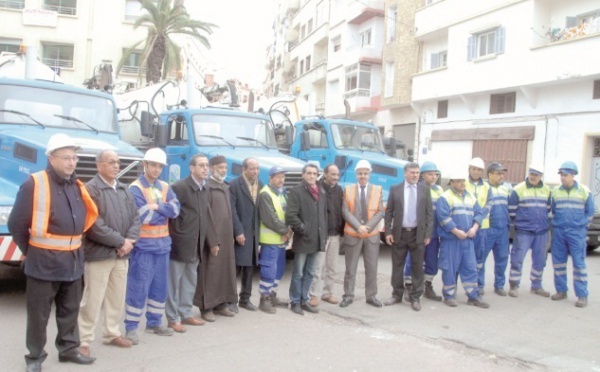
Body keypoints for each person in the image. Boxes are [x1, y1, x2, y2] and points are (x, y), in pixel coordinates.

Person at [8, 133, 98, 371]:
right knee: (39, 315)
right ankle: (35, 358)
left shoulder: (77, 185)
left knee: (69, 311)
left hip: (73, 263)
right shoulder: (34, 184)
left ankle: (68, 350)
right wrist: (32, 250)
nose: (71, 162)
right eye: (66, 157)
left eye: (74, 158)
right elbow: (16, 223)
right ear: (51, 158)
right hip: (43, 264)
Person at [78, 150, 141, 356]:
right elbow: (94, 225)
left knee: (116, 297)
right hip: (99, 254)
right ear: (99, 165)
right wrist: (120, 242)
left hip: (122, 255)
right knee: (93, 299)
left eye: (118, 162)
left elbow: (135, 218)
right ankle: (84, 340)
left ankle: (112, 333)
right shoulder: (91, 189)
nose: (116, 166)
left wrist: (129, 241)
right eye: (111, 162)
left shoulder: (123, 189)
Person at [124, 148, 180, 343]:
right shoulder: (135, 188)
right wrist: (161, 210)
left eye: (159, 166)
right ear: (144, 165)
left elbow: (176, 210)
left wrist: (157, 207)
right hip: (144, 247)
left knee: (160, 287)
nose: (156, 169)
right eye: (153, 165)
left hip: (163, 246)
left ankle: (154, 322)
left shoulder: (165, 186)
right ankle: (131, 327)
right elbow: (143, 216)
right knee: (138, 287)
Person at [166, 154, 219, 333]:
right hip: (180, 243)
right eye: (201, 165)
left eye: (207, 166)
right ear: (191, 168)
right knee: (173, 283)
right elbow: (170, 215)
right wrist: (178, 234)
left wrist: (212, 241)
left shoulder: (205, 189)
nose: (205, 168)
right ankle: (172, 318)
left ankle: (185, 313)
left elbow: (206, 216)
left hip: (196, 244)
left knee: (190, 281)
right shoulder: (179, 187)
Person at [194, 155, 238, 321]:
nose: (224, 170)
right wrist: (212, 241)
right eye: (220, 167)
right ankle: (206, 308)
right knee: (209, 272)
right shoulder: (207, 188)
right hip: (212, 240)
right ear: (212, 168)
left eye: (225, 168)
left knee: (224, 271)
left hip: (226, 238)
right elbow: (207, 217)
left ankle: (221, 304)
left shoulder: (225, 187)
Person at [383, 163, 433, 311]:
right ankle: (397, 294)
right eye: (412, 173)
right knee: (397, 266)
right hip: (400, 233)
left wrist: (428, 234)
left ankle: (416, 297)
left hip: (418, 234)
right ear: (405, 173)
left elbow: (429, 214)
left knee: (418, 267)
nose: (415, 175)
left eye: (417, 173)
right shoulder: (395, 189)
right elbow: (389, 212)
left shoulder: (425, 190)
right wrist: (388, 232)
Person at [437, 170, 489, 309]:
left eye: (463, 181)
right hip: (451, 240)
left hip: (467, 240)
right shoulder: (445, 197)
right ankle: (449, 295)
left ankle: (473, 297)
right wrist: (456, 231)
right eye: (458, 181)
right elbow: (443, 217)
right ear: (452, 182)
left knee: (470, 267)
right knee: (449, 268)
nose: (462, 184)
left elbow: (479, 213)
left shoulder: (470, 197)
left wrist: (475, 228)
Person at [339, 160, 385, 308]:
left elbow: (380, 212)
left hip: (371, 236)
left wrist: (368, 227)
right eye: (360, 173)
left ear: (369, 174)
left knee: (372, 269)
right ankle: (348, 296)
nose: (363, 176)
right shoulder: (348, 189)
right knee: (350, 268)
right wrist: (358, 226)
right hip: (353, 234)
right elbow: (345, 211)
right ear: (356, 174)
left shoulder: (378, 190)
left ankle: (371, 296)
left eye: (365, 173)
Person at [550, 161, 594, 308]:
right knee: (559, 263)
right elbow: (553, 210)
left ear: (573, 175)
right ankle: (561, 290)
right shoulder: (556, 191)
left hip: (576, 233)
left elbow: (590, 212)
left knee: (579, 264)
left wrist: (581, 227)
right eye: (561, 175)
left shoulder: (584, 191)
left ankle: (582, 295)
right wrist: (557, 224)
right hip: (560, 231)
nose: (563, 178)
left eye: (566, 175)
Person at [286, 163, 328, 315]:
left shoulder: (321, 191)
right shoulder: (296, 192)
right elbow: (291, 215)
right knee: (298, 272)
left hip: (317, 239)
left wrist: (323, 235)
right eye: (309, 173)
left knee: (310, 272)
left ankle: (304, 300)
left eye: (314, 174)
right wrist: (303, 229)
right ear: (303, 175)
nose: (312, 176)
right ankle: (295, 302)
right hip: (303, 239)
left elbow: (324, 215)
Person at [402, 161, 444, 301]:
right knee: (413, 260)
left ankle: (428, 285)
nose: (433, 177)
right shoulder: (417, 189)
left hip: (434, 233)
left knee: (432, 260)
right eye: (430, 174)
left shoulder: (439, 191)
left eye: (435, 174)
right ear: (423, 175)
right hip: (418, 233)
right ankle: (408, 286)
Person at [507, 163, 551, 298]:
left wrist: (543, 223)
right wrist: (522, 222)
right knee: (517, 259)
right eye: (531, 174)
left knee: (540, 259)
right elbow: (512, 210)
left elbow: (549, 209)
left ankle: (536, 286)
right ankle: (514, 285)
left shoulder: (547, 190)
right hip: (524, 231)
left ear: (541, 176)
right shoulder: (518, 189)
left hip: (541, 232)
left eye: (536, 175)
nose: (533, 177)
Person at [257, 166, 293, 314]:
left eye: (282, 177)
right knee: (269, 270)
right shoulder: (265, 194)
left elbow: (287, 213)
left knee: (279, 269)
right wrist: (286, 231)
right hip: (270, 240)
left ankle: (272, 296)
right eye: (277, 177)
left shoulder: (282, 193)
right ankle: (264, 299)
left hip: (281, 240)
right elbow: (269, 218)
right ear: (270, 178)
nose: (281, 180)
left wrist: (289, 231)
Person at [308, 164, 344, 306]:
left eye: (337, 175)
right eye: (332, 174)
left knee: (332, 267)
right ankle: (314, 295)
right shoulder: (318, 188)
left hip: (335, 234)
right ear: (325, 174)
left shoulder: (339, 190)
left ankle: (327, 293)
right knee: (317, 267)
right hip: (321, 235)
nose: (335, 177)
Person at [229, 158, 263, 311]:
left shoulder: (260, 185)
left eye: (257, 168)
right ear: (244, 169)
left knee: (249, 267)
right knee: (235, 268)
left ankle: (245, 299)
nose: (255, 171)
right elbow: (232, 211)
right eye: (252, 168)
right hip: (240, 232)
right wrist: (238, 231)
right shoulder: (235, 185)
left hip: (254, 233)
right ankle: (231, 300)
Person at [480, 162, 511, 296]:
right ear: (490, 174)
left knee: (502, 258)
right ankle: (479, 285)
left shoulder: (506, 188)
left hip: (502, 229)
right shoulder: (484, 188)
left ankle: (499, 285)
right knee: (481, 258)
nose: (501, 176)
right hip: (488, 229)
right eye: (498, 173)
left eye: (502, 173)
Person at [465, 157, 493, 295]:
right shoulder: (463, 183)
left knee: (479, 259)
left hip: (482, 228)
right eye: (474, 169)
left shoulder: (487, 187)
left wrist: (479, 218)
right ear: (469, 169)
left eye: (479, 170)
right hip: (465, 226)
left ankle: (479, 285)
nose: (476, 172)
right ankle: (465, 285)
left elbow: (489, 204)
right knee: (463, 257)